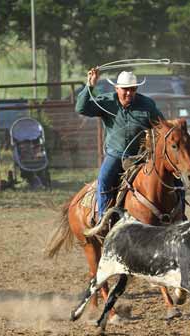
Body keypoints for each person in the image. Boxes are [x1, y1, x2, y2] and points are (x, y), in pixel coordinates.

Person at [75, 68, 164, 236]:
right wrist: (90, 85)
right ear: (117, 89)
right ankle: (104, 219)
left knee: (170, 177)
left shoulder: (147, 105)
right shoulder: (107, 102)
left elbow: (161, 125)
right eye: (125, 89)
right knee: (104, 179)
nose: (129, 93)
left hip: (142, 156)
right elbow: (81, 108)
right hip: (116, 154)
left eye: (133, 89)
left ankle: (177, 211)